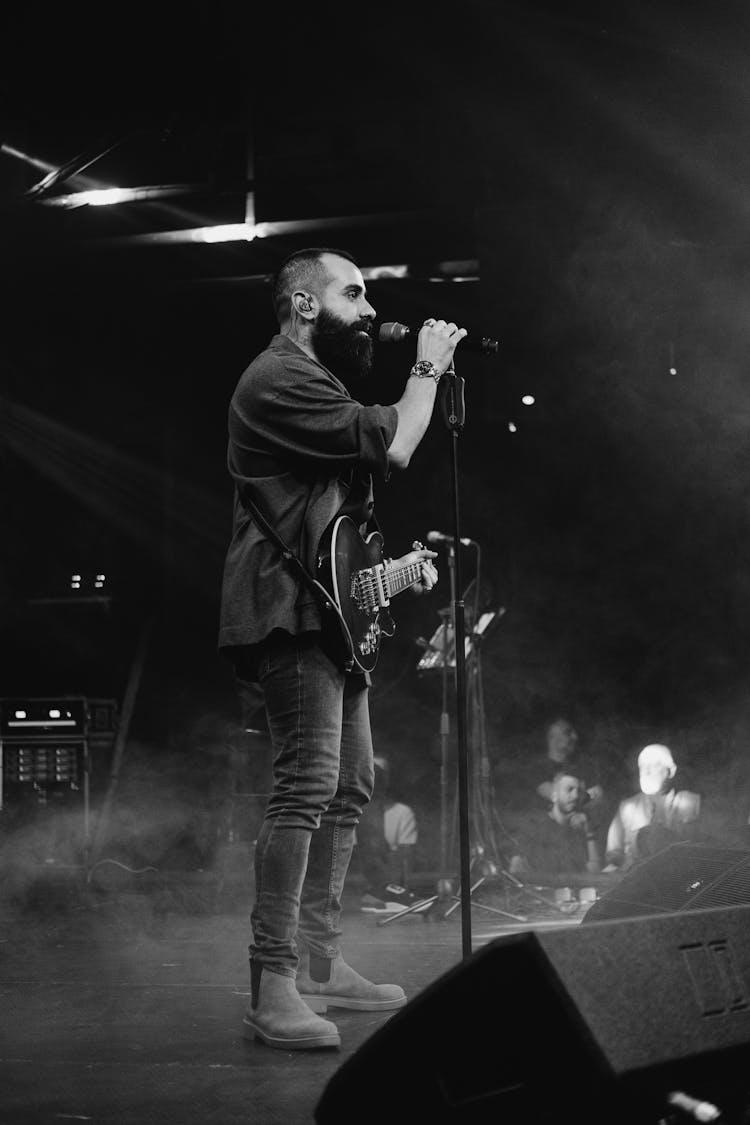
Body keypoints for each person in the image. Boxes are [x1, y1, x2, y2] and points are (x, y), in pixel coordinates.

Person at [218, 247, 466, 1050]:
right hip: (287, 614)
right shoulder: (275, 378)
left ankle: (322, 963)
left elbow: (337, 540)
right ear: (301, 305)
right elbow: (393, 442)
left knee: (350, 783)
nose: (367, 310)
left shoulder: (319, 382)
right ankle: (273, 982)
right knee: (305, 786)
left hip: (325, 614)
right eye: (352, 294)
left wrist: (389, 578)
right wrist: (427, 366)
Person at [605, 743, 701, 870]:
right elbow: (613, 852)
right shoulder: (627, 808)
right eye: (642, 766)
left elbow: (707, 846)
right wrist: (630, 868)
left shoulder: (693, 803)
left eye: (653, 765)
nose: (646, 771)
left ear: (671, 771)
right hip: (636, 881)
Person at [509, 770, 602, 886]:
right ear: (554, 795)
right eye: (569, 789)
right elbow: (516, 871)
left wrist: (589, 832)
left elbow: (595, 875)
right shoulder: (534, 826)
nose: (575, 795)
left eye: (579, 791)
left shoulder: (582, 827)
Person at [356, 754, 419, 913]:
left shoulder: (403, 812)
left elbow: (405, 856)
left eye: (379, 775)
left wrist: (393, 887)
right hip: (364, 889)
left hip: (393, 884)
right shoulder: (355, 814)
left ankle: (391, 894)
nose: (375, 780)